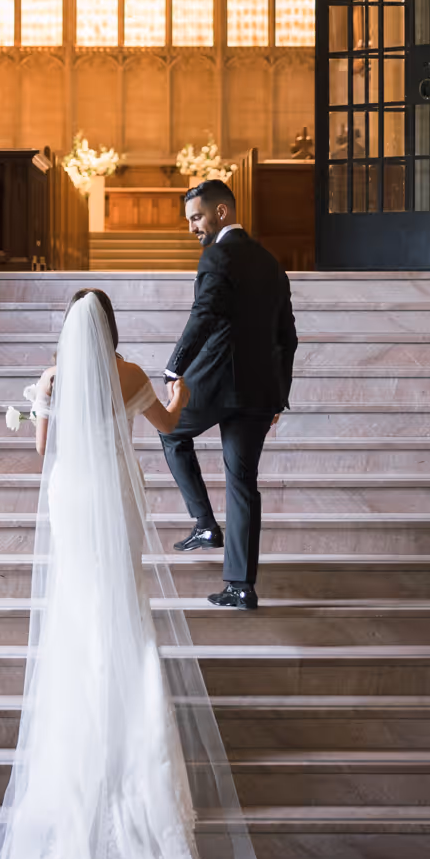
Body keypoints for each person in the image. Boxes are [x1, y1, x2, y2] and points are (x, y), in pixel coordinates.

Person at [0, 286, 275, 859]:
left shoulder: (55, 378)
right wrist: (182, 384)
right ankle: (134, 760)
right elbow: (174, 421)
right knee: (123, 614)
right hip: (111, 497)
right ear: (109, 328)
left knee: (77, 614)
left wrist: (37, 410)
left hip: (72, 499)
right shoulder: (132, 373)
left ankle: (77, 751)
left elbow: (46, 453)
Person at [161, 181, 298, 612]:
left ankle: (204, 524)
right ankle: (241, 586)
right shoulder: (273, 264)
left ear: (221, 212)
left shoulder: (217, 255)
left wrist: (174, 366)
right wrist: (279, 395)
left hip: (214, 384)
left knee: (169, 431)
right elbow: (287, 338)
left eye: (196, 218)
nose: (191, 228)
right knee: (243, 484)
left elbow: (204, 314)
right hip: (259, 391)